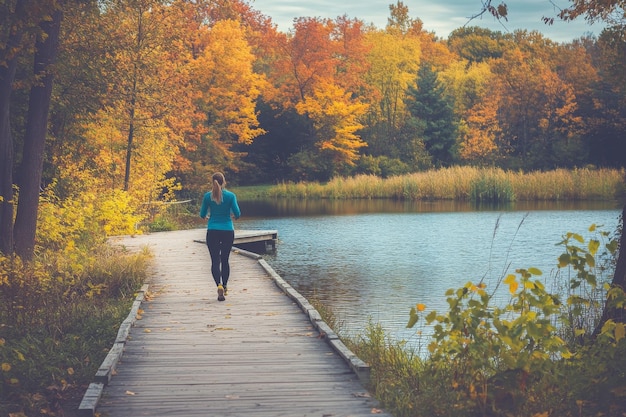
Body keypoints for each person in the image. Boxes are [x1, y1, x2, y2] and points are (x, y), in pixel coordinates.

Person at [199, 172, 241, 301]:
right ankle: (226, 285)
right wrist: (232, 217)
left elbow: (202, 214)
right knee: (225, 260)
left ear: (213, 182)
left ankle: (218, 285)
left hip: (213, 231)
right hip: (228, 230)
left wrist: (207, 217)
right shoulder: (230, 196)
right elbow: (238, 213)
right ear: (224, 182)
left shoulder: (207, 196)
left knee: (215, 261)